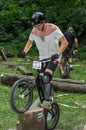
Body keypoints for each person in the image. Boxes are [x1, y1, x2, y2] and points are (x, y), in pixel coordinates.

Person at [19, 11, 68, 108]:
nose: (36, 27)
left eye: (38, 25)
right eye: (34, 25)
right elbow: (30, 42)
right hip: (42, 58)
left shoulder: (53, 28)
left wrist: (57, 54)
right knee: (39, 79)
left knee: (46, 77)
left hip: (54, 57)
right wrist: (24, 52)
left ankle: (49, 101)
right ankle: (43, 98)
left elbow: (65, 43)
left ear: (43, 22)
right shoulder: (34, 30)